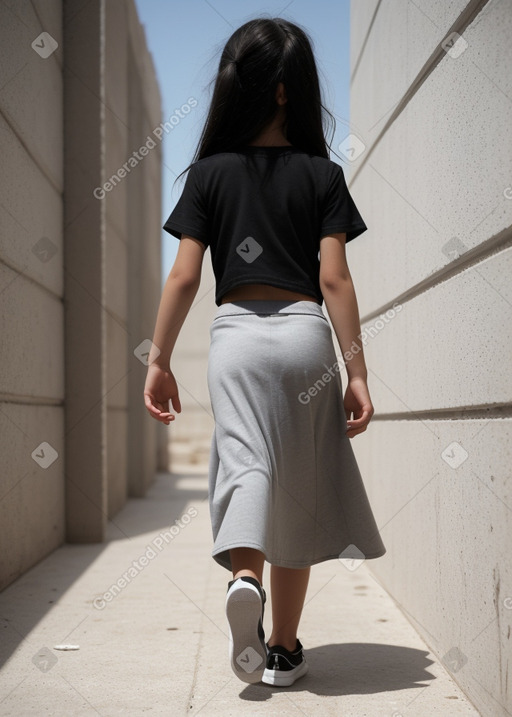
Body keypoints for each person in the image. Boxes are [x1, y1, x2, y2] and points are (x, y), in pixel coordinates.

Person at [144, 16, 386, 688]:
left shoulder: (209, 175)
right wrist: (357, 369)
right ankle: (281, 647)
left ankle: (242, 575)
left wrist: (158, 358)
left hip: (237, 338)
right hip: (306, 335)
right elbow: (335, 278)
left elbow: (185, 276)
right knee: (300, 488)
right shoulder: (322, 175)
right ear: (289, 91)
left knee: (246, 466)